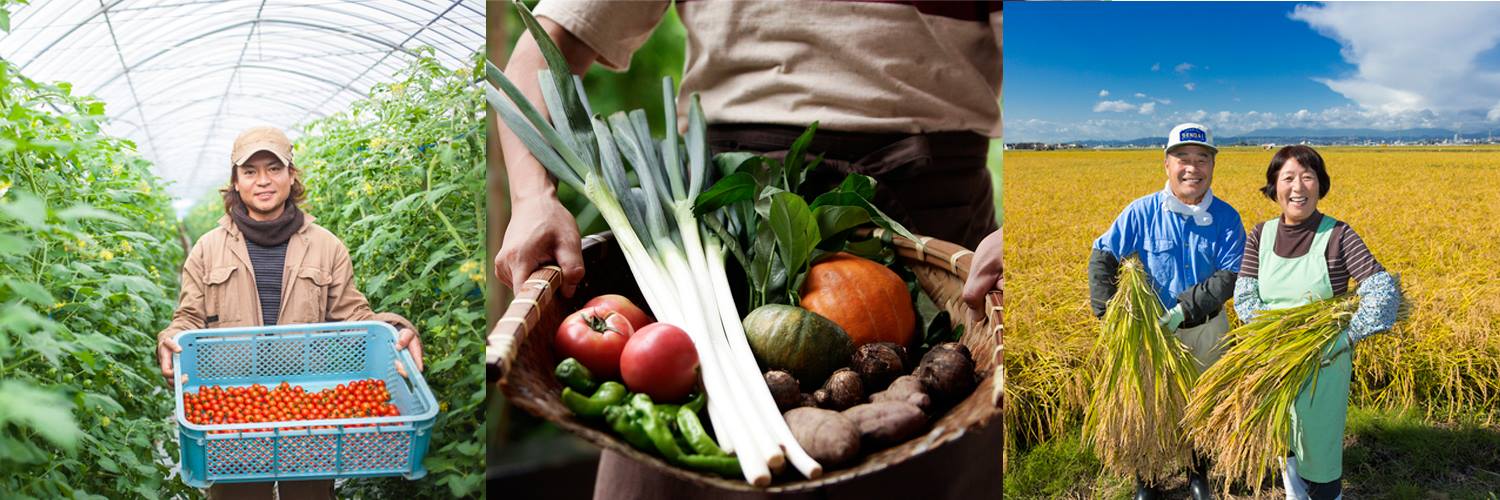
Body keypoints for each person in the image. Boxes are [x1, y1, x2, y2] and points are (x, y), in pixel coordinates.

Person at [492, 1, 1002, 498]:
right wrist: (533, 198)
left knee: (938, 441)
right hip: (726, 213)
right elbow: (545, 48)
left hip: (928, 225)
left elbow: (1051, 38)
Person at [154, 126, 426, 500]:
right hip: (234, 412)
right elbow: (188, 317)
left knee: (308, 494)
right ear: (235, 182)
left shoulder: (326, 246)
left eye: (274, 168)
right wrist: (170, 338)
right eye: (250, 171)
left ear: (291, 174)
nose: (263, 180)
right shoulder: (207, 249)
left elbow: (355, 316)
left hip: (308, 408)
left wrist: (396, 328)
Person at [1231, 145, 1401, 500]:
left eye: (1308, 177)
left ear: (1320, 185)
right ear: (1274, 186)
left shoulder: (1338, 235)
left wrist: (1344, 338)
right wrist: (1275, 337)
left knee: (1320, 455)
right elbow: (1245, 297)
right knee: (1284, 441)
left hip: (1324, 364)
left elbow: (1382, 289)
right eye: (1288, 178)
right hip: (1274, 360)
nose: (1298, 187)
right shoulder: (1260, 235)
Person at [1087, 122, 1245, 500]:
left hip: (1206, 330)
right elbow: (1102, 256)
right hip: (1151, 333)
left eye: (1201, 159)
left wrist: (1182, 309)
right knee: (1150, 405)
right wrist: (1110, 316)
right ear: (1167, 164)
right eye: (1182, 158)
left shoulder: (1226, 217)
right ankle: (1149, 478)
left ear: (1212, 165)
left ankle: (1197, 471)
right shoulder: (1141, 212)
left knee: (1202, 402)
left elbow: (1229, 276)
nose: (1192, 168)